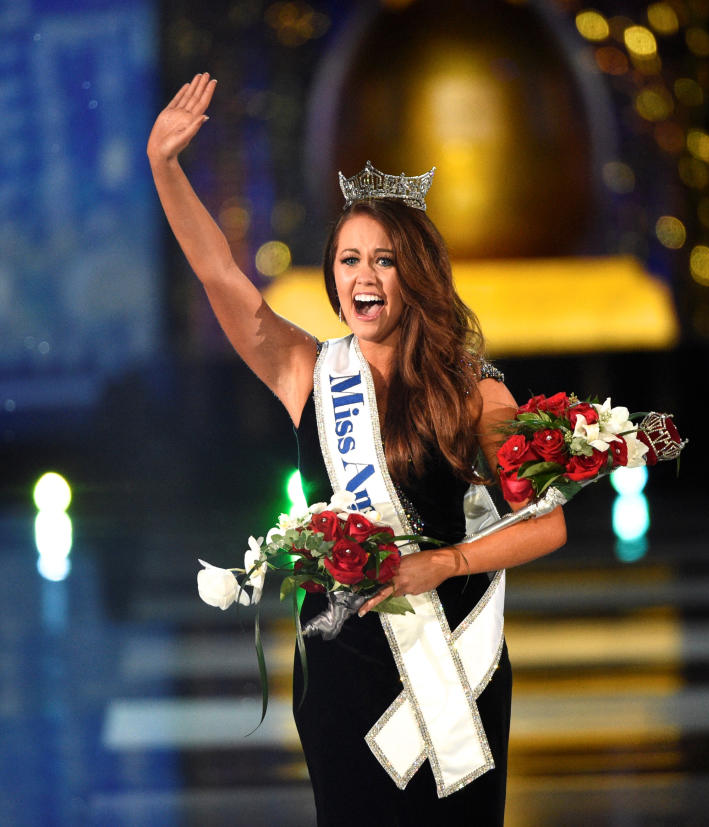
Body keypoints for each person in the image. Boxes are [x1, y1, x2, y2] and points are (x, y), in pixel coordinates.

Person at [148, 73, 567, 826]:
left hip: (451, 664)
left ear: (418, 273)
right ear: (332, 276)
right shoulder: (309, 370)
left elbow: (547, 522)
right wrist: (165, 169)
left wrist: (445, 560)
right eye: (349, 259)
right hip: (342, 668)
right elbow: (220, 275)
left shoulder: (475, 390)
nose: (365, 276)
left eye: (384, 259)